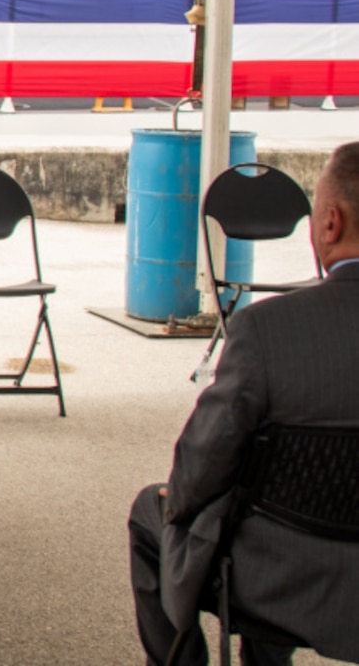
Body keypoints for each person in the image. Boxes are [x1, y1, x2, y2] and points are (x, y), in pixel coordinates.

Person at [127, 143, 359, 666]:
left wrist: (181, 503)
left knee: (156, 511)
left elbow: (199, 469)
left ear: (329, 223)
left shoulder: (268, 330)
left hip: (278, 579)